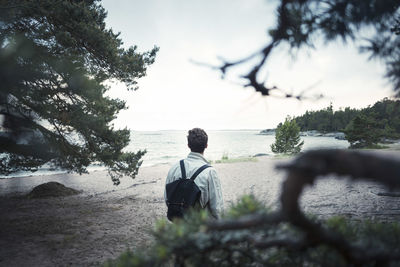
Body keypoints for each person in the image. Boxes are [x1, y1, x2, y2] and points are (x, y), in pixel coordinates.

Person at [164, 128, 224, 219]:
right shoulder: (210, 172)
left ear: (188, 145)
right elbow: (217, 208)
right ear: (206, 146)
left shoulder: (175, 167)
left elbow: (167, 197)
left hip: (178, 226)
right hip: (201, 226)